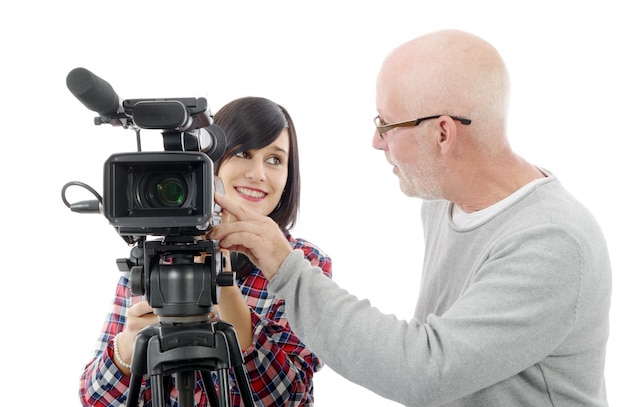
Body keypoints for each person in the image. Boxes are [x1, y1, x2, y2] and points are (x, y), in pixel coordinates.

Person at [209, 29, 612, 406]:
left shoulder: (553, 242)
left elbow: (425, 371)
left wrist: (287, 269)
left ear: (442, 134)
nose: (375, 141)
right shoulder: (443, 201)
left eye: (387, 125)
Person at [79, 96, 333, 406]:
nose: (258, 174)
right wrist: (130, 347)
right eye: (243, 153)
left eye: (275, 160)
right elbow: (96, 399)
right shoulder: (158, 256)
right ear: (209, 161)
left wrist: (220, 280)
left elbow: (288, 398)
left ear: (288, 176)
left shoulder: (301, 261)